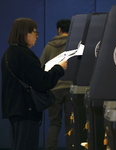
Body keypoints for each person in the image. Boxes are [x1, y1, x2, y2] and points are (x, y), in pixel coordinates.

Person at [1, 18, 68, 150]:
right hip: (26, 109)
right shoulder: (24, 54)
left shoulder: (9, 53)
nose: (36, 36)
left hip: (14, 109)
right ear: (24, 33)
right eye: (34, 32)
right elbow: (42, 82)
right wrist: (59, 68)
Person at [40, 19, 73, 150]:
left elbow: (41, 67)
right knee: (71, 123)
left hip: (54, 89)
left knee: (55, 123)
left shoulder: (49, 46)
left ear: (59, 30)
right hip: (72, 89)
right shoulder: (74, 46)